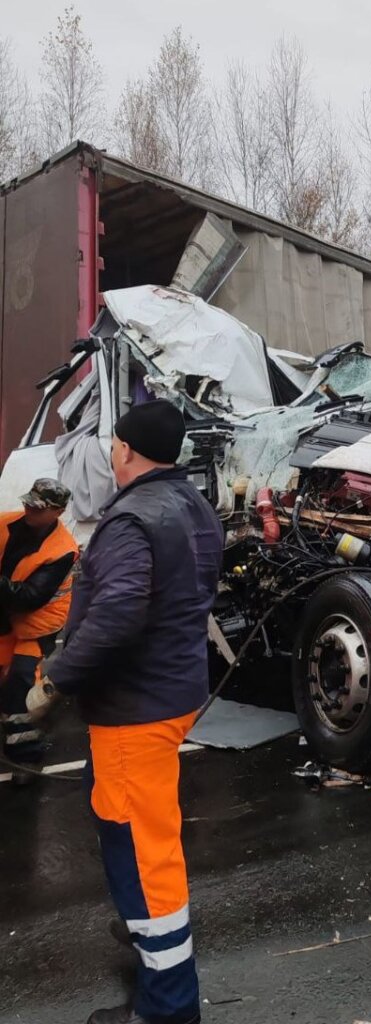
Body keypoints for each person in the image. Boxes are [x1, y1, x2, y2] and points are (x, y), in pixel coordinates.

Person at [45, 400, 224, 1024]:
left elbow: (118, 612)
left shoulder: (131, 520)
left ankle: (169, 1006)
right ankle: (149, 939)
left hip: (133, 709)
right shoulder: (193, 506)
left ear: (123, 451)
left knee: (142, 854)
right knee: (145, 829)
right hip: (173, 695)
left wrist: (55, 678)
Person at [0, 478, 78, 779]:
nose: (28, 510)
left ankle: (25, 755)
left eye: (37, 507)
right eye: (28, 503)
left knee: (20, 678)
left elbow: (30, 598)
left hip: (37, 622)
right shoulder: (8, 524)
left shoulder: (62, 550)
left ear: (57, 512)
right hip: (6, 614)